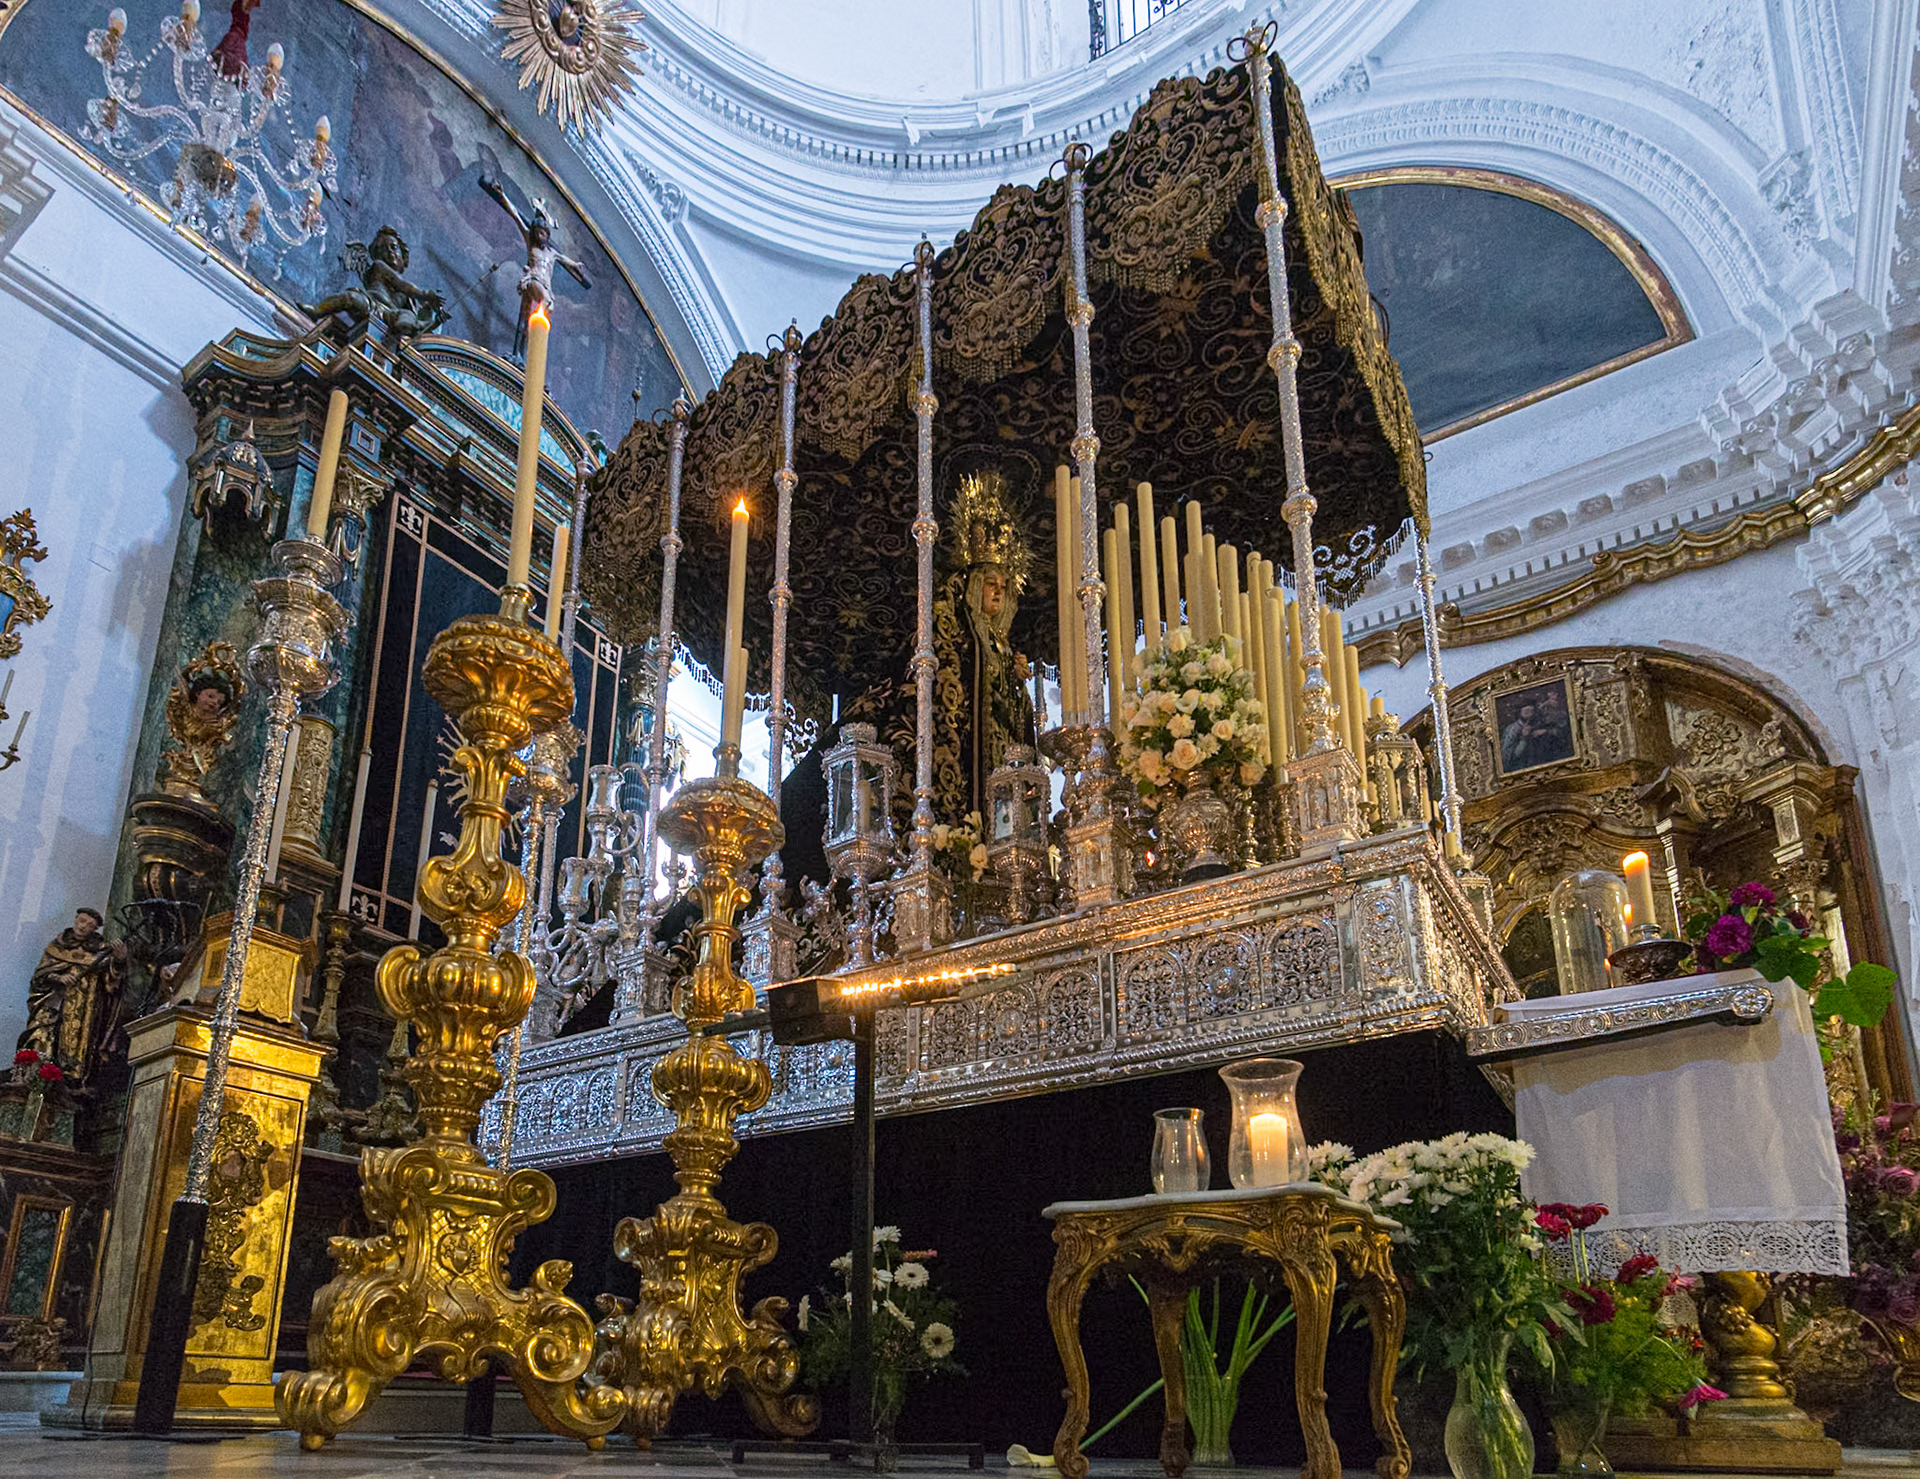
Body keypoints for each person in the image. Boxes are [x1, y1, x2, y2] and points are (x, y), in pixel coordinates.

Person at [479, 174, 592, 356]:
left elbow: (565, 260)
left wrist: (577, 265)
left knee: (528, 316)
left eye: (543, 234)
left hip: (545, 285)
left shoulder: (552, 253)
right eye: (538, 233)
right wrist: (502, 196)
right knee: (546, 302)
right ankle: (535, 336)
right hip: (533, 280)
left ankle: (522, 348)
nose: (540, 236)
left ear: (547, 235)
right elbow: (515, 215)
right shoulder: (531, 243)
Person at [17, 909, 127, 1090]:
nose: (83, 926)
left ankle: (71, 1078)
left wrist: (119, 960)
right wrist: (58, 978)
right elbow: (40, 975)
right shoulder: (57, 946)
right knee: (42, 1032)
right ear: (75, 919)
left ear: (94, 930)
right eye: (82, 921)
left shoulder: (101, 951)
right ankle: (36, 1072)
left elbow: (112, 983)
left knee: (78, 1041)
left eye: (89, 925)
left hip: (85, 1007)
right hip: (54, 1003)